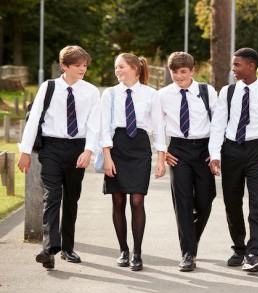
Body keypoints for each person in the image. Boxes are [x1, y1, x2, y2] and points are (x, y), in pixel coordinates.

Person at [18, 45, 100, 269]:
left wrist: (89, 150)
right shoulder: (49, 87)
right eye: (77, 65)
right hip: (51, 148)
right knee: (52, 196)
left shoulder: (91, 91)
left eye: (84, 65)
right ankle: (49, 249)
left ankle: (68, 248)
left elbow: (94, 123)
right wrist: (25, 152)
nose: (82, 69)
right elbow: (34, 119)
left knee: (71, 199)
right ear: (64, 66)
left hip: (78, 149)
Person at [208, 47, 258, 272]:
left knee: (257, 204)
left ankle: (254, 253)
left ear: (251, 66)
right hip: (231, 151)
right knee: (232, 202)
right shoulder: (228, 92)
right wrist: (215, 154)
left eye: (237, 65)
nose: (233, 69)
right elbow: (218, 125)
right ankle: (239, 248)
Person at [100, 52, 166, 271]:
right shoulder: (109, 94)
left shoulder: (151, 94)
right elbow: (103, 127)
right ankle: (123, 251)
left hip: (139, 148)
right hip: (116, 147)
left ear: (135, 69)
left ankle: (137, 253)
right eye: (116, 67)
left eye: (121, 67)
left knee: (137, 201)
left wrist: (161, 159)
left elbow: (158, 127)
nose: (117, 71)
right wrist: (107, 156)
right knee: (118, 201)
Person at [159, 52, 217, 272]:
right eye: (174, 72)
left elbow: (219, 121)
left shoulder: (206, 91)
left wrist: (215, 151)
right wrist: (163, 151)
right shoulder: (163, 95)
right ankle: (188, 253)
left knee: (205, 200)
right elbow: (155, 124)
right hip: (178, 151)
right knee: (182, 202)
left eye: (183, 72)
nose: (179, 76)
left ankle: (192, 238)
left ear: (192, 71)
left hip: (204, 149)